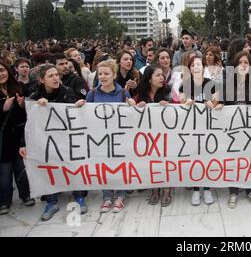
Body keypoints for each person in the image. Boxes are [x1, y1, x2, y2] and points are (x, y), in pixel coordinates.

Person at [27, 64, 87, 221]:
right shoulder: (34, 97)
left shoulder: (67, 92)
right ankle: (51, 202)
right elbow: (29, 124)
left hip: (68, 141)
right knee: (49, 169)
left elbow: (77, 111)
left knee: (73, 167)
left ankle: (79, 197)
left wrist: (80, 105)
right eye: (50, 76)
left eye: (56, 75)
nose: (55, 78)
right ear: (41, 79)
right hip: (47, 143)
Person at [77, 60, 136, 213]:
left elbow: (131, 115)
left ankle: (121, 195)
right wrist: (81, 105)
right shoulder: (93, 93)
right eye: (100, 73)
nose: (103, 76)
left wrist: (131, 104)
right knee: (105, 167)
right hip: (101, 139)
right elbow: (86, 114)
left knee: (121, 166)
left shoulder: (123, 93)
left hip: (120, 138)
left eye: (106, 73)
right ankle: (107, 197)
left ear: (114, 75)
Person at [179, 56, 222, 206]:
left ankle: (208, 188)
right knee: (195, 158)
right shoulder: (185, 85)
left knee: (208, 156)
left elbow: (219, 104)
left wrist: (215, 105)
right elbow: (180, 103)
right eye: (193, 65)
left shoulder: (212, 84)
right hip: (191, 128)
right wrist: (185, 103)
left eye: (199, 64)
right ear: (189, 68)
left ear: (204, 67)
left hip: (209, 127)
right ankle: (196, 189)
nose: (196, 67)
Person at [223, 52, 251, 209]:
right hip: (232, 128)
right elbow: (222, 102)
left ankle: (249, 190)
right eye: (240, 62)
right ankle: (233, 191)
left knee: (249, 159)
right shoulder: (228, 83)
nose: (243, 65)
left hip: (250, 128)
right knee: (234, 160)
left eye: (246, 62)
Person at [134, 66, 173, 206]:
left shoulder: (168, 93)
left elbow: (179, 109)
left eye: (162, 75)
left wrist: (169, 106)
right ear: (149, 79)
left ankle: (167, 189)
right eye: (158, 75)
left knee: (166, 161)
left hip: (166, 136)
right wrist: (138, 106)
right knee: (152, 162)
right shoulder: (141, 94)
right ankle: (155, 188)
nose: (162, 77)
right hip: (148, 137)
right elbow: (132, 109)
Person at [0, 60, 34, 215]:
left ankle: (25, 195)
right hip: (2, 139)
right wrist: (3, 109)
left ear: (8, 71)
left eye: (2, 70)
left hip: (18, 136)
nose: (1, 74)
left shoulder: (19, 88)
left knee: (21, 167)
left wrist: (21, 106)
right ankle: (4, 201)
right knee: (4, 171)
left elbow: (29, 113)